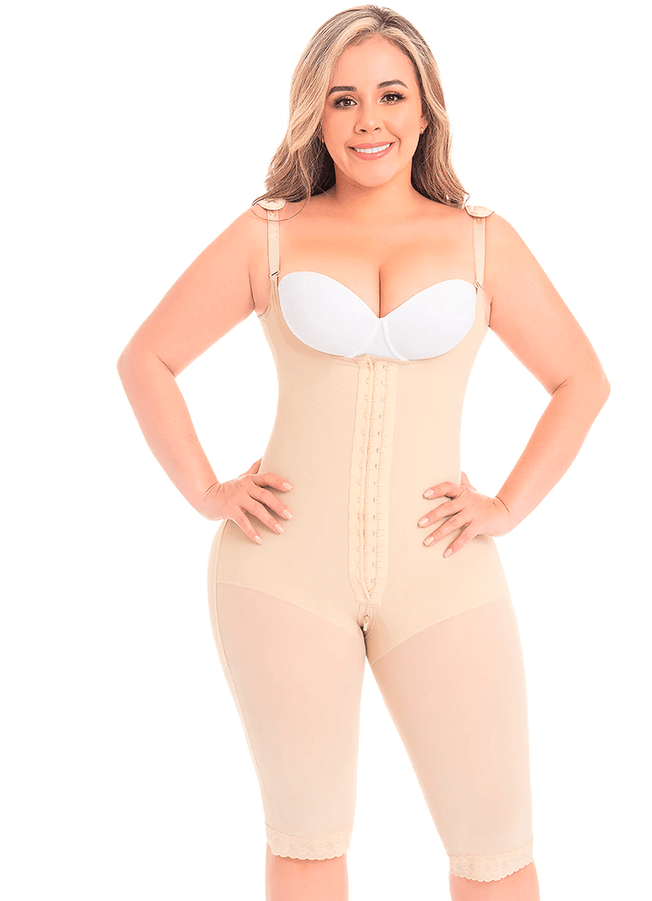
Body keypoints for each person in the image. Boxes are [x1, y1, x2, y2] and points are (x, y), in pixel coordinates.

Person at [116, 5, 610, 900]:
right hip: (280, 572)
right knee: (307, 843)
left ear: (425, 111)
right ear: (316, 113)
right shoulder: (270, 232)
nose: (368, 120)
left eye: (390, 95)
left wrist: (505, 506)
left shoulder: (481, 240)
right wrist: (206, 489)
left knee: (495, 851)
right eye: (343, 99)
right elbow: (146, 359)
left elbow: (581, 380)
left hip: (444, 570)